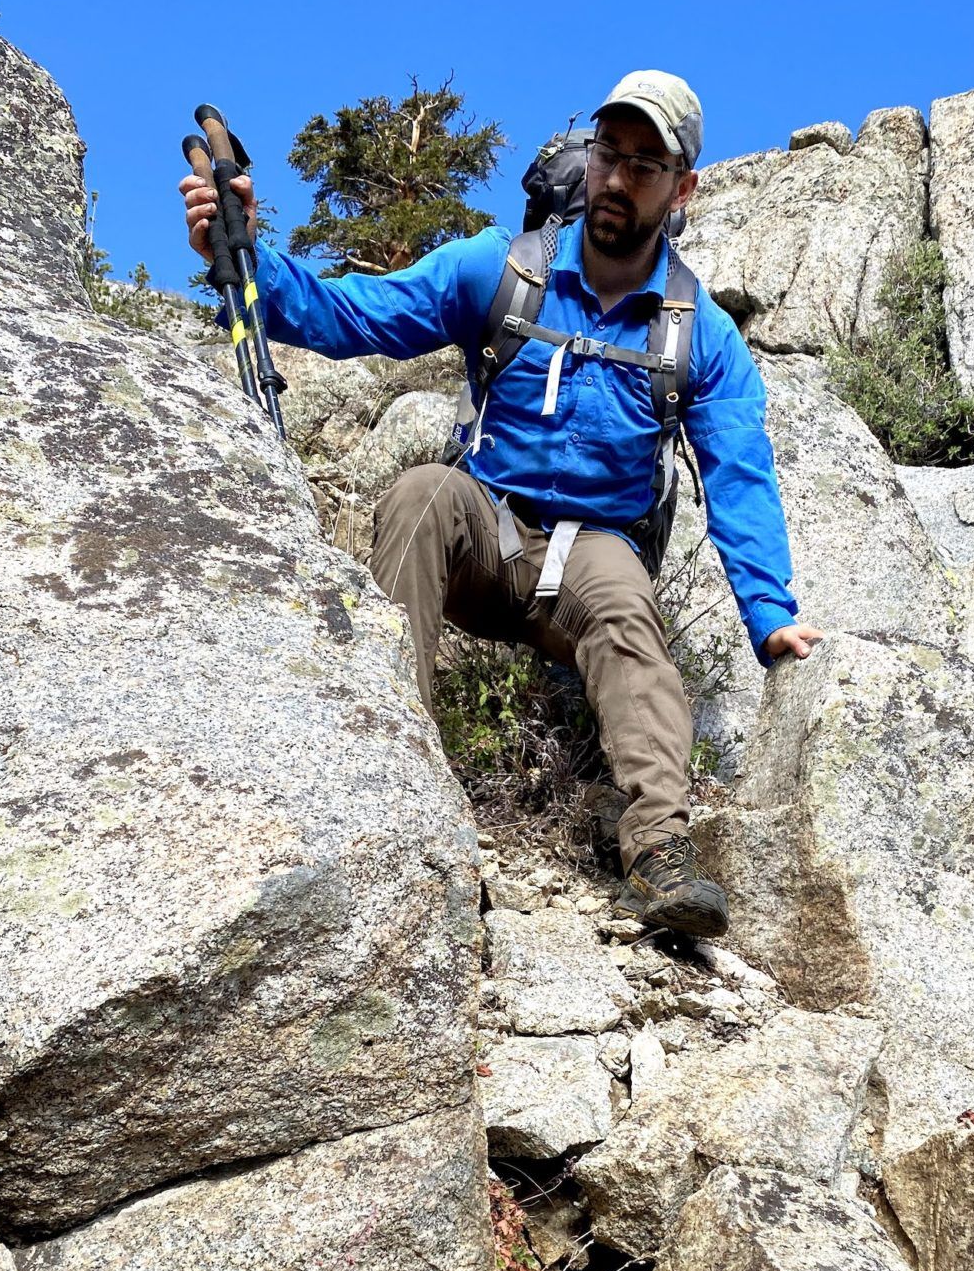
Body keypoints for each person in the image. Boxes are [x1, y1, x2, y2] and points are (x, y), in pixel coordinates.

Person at [181, 70, 823, 938]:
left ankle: (659, 852)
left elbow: (739, 472)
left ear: (683, 189)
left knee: (627, 609)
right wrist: (249, 249)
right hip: (487, 523)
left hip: (594, 552)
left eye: (644, 165)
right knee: (418, 494)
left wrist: (770, 615)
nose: (616, 179)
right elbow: (352, 316)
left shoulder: (697, 331)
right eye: (608, 154)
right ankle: (389, 779)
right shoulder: (501, 269)